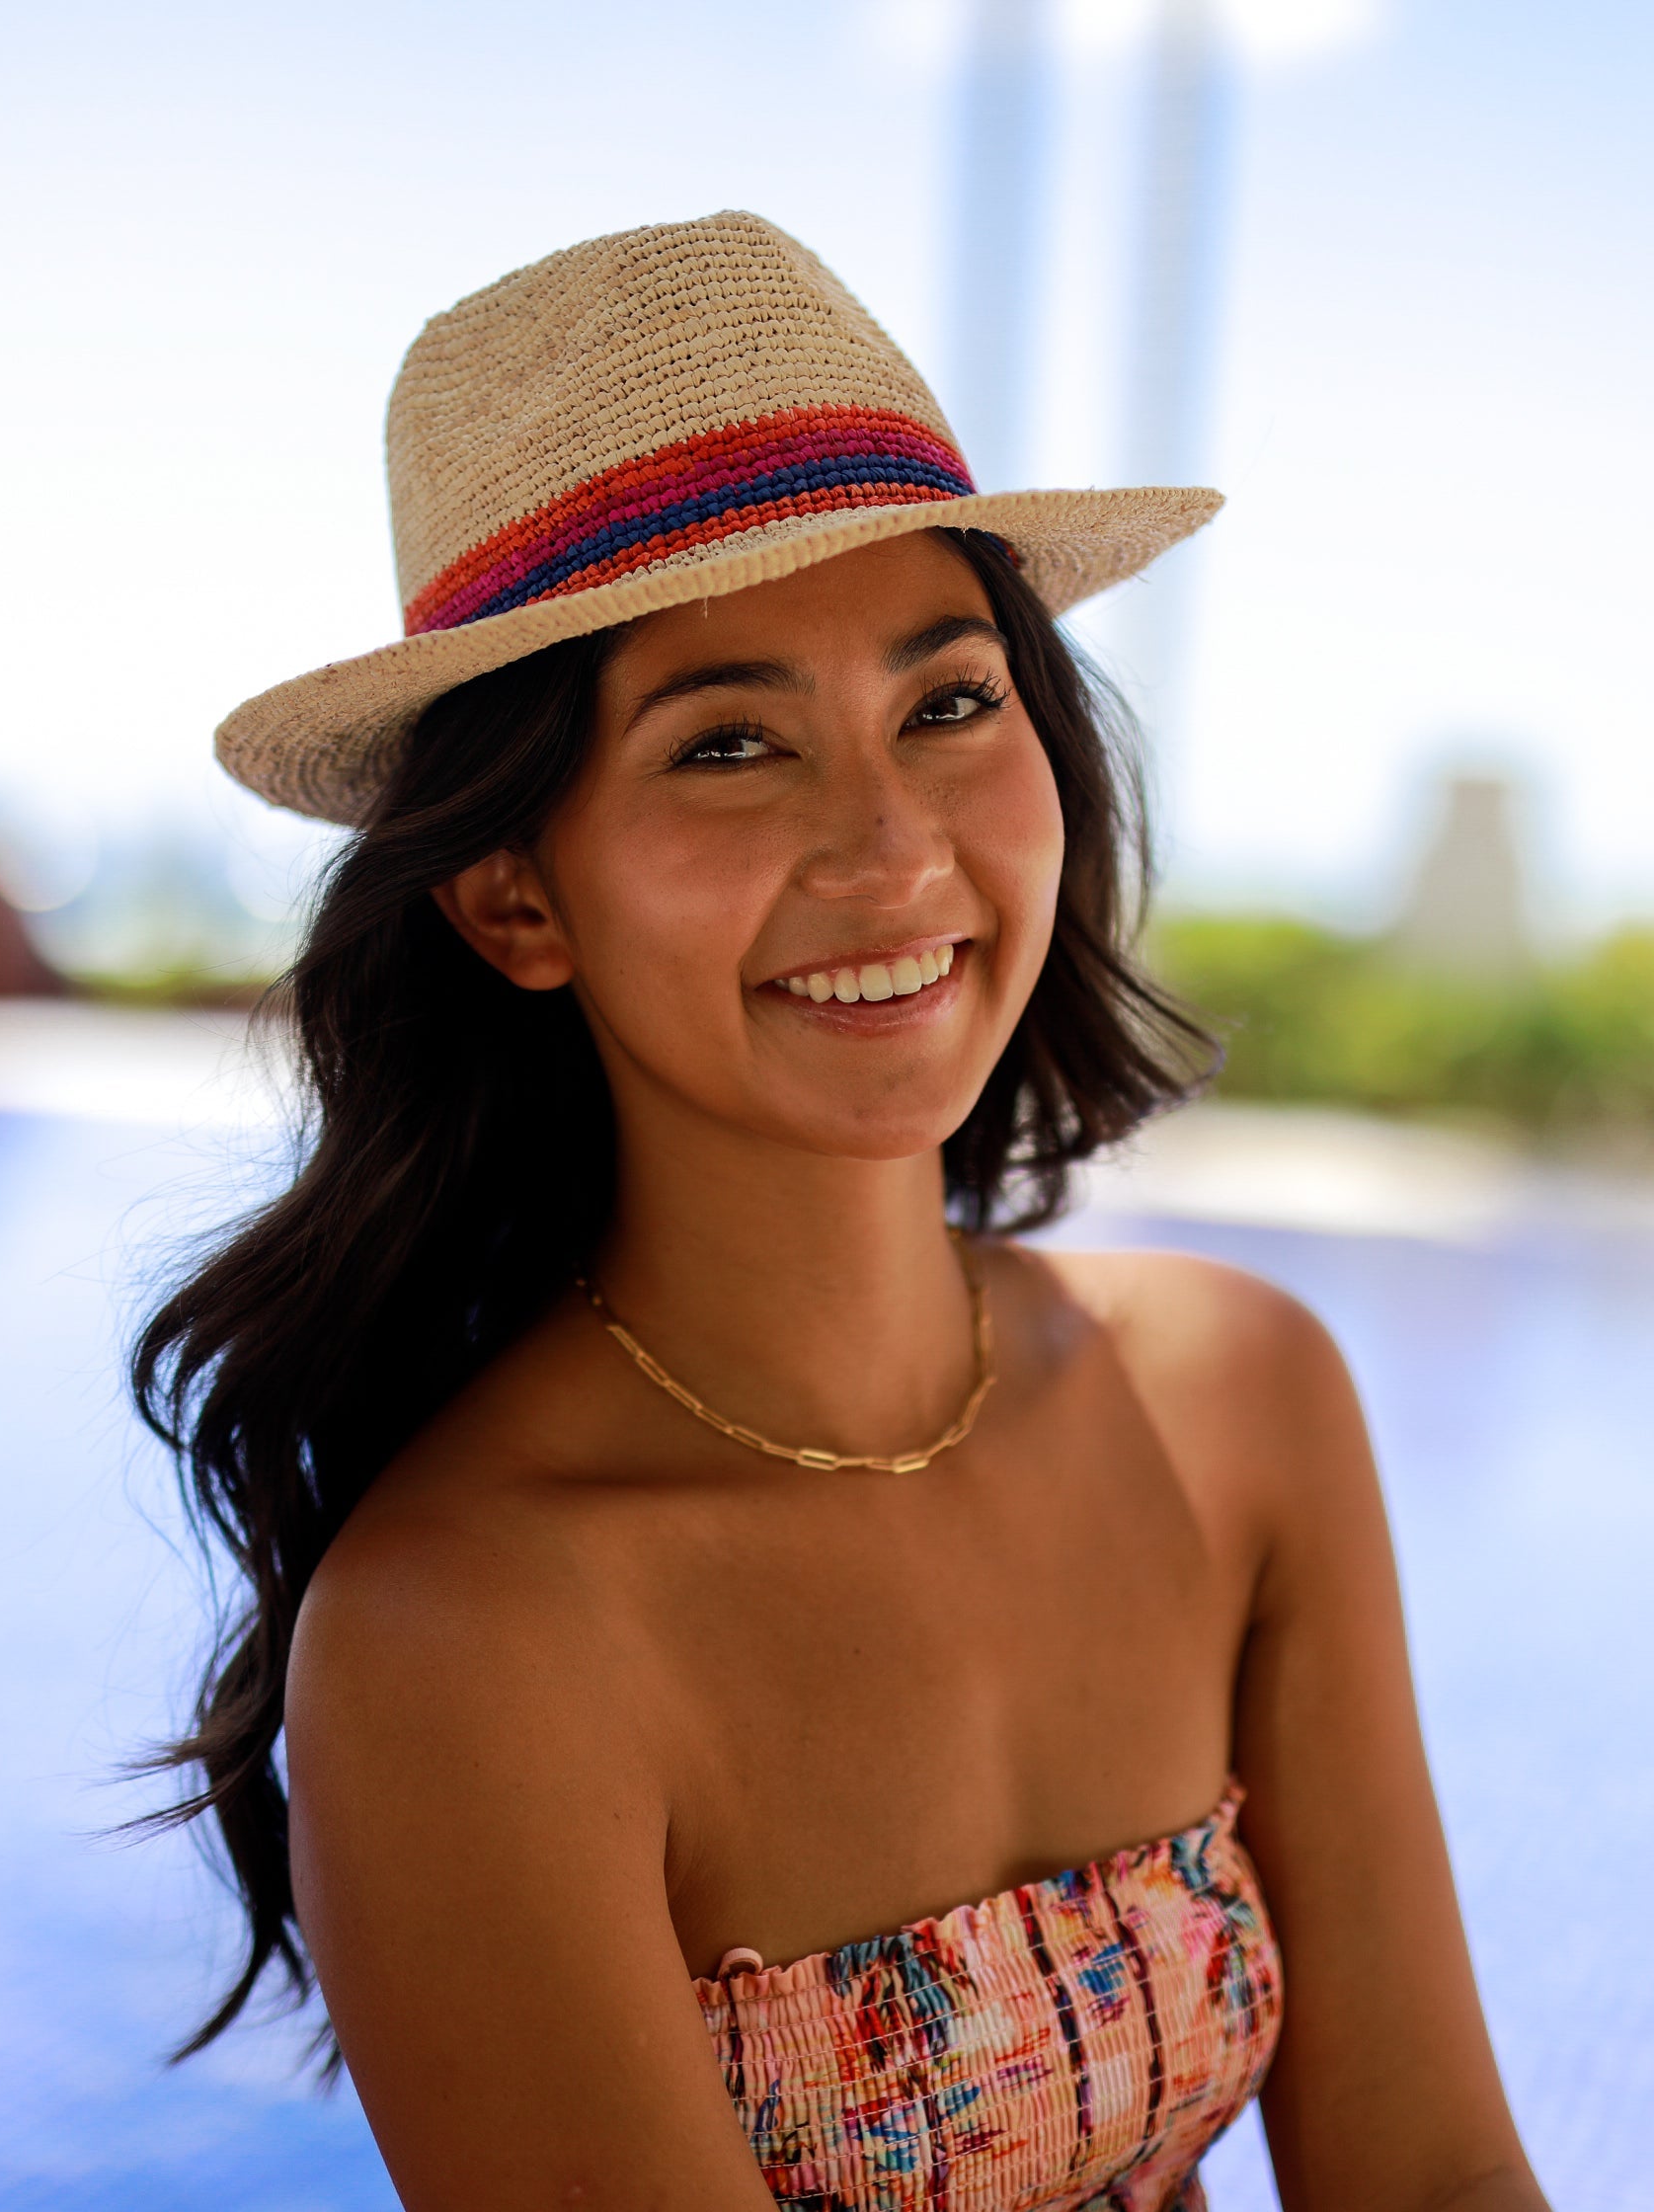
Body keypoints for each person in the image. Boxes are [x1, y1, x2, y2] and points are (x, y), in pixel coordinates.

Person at [137, 212, 1547, 2211]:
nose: (887, 846)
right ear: (514, 899)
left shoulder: (1244, 1403)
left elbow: (1425, 2174)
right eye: (727, 744)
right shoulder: (475, 1637)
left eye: (947, 706)